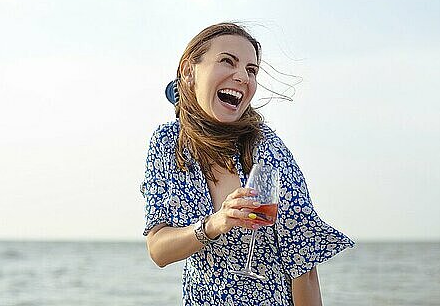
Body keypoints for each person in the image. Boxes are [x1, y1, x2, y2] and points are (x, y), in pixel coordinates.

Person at [141, 22, 354, 305]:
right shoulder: (169, 144)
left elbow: (304, 270)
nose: (242, 76)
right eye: (227, 61)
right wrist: (215, 224)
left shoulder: (269, 150)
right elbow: (159, 250)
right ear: (188, 71)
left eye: (251, 70)